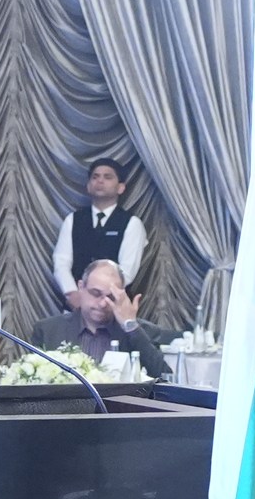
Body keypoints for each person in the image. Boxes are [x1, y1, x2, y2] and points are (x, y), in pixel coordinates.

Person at [27, 259, 169, 379]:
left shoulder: (141, 332)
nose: (103, 304)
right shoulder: (48, 331)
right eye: (96, 293)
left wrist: (130, 326)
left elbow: (164, 377)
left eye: (111, 297)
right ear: (81, 287)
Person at [49, 156, 147, 300]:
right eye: (95, 177)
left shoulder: (132, 223)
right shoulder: (73, 220)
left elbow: (127, 271)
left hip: (114, 303)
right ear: (88, 186)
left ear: (121, 187)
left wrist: (99, 296)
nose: (100, 181)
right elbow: (61, 262)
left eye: (107, 177)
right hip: (76, 303)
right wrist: (72, 293)